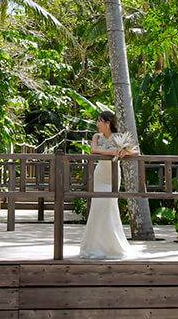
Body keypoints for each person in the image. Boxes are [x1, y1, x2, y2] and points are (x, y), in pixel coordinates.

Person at [78, 110, 138, 259]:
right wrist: (112, 151)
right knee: (97, 207)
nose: (97, 124)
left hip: (113, 176)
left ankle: (112, 246)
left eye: (99, 121)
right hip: (100, 175)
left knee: (109, 207)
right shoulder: (96, 136)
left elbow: (135, 152)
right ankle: (94, 246)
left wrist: (124, 152)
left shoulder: (118, 137)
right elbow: (93, 150)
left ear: (107, 123)